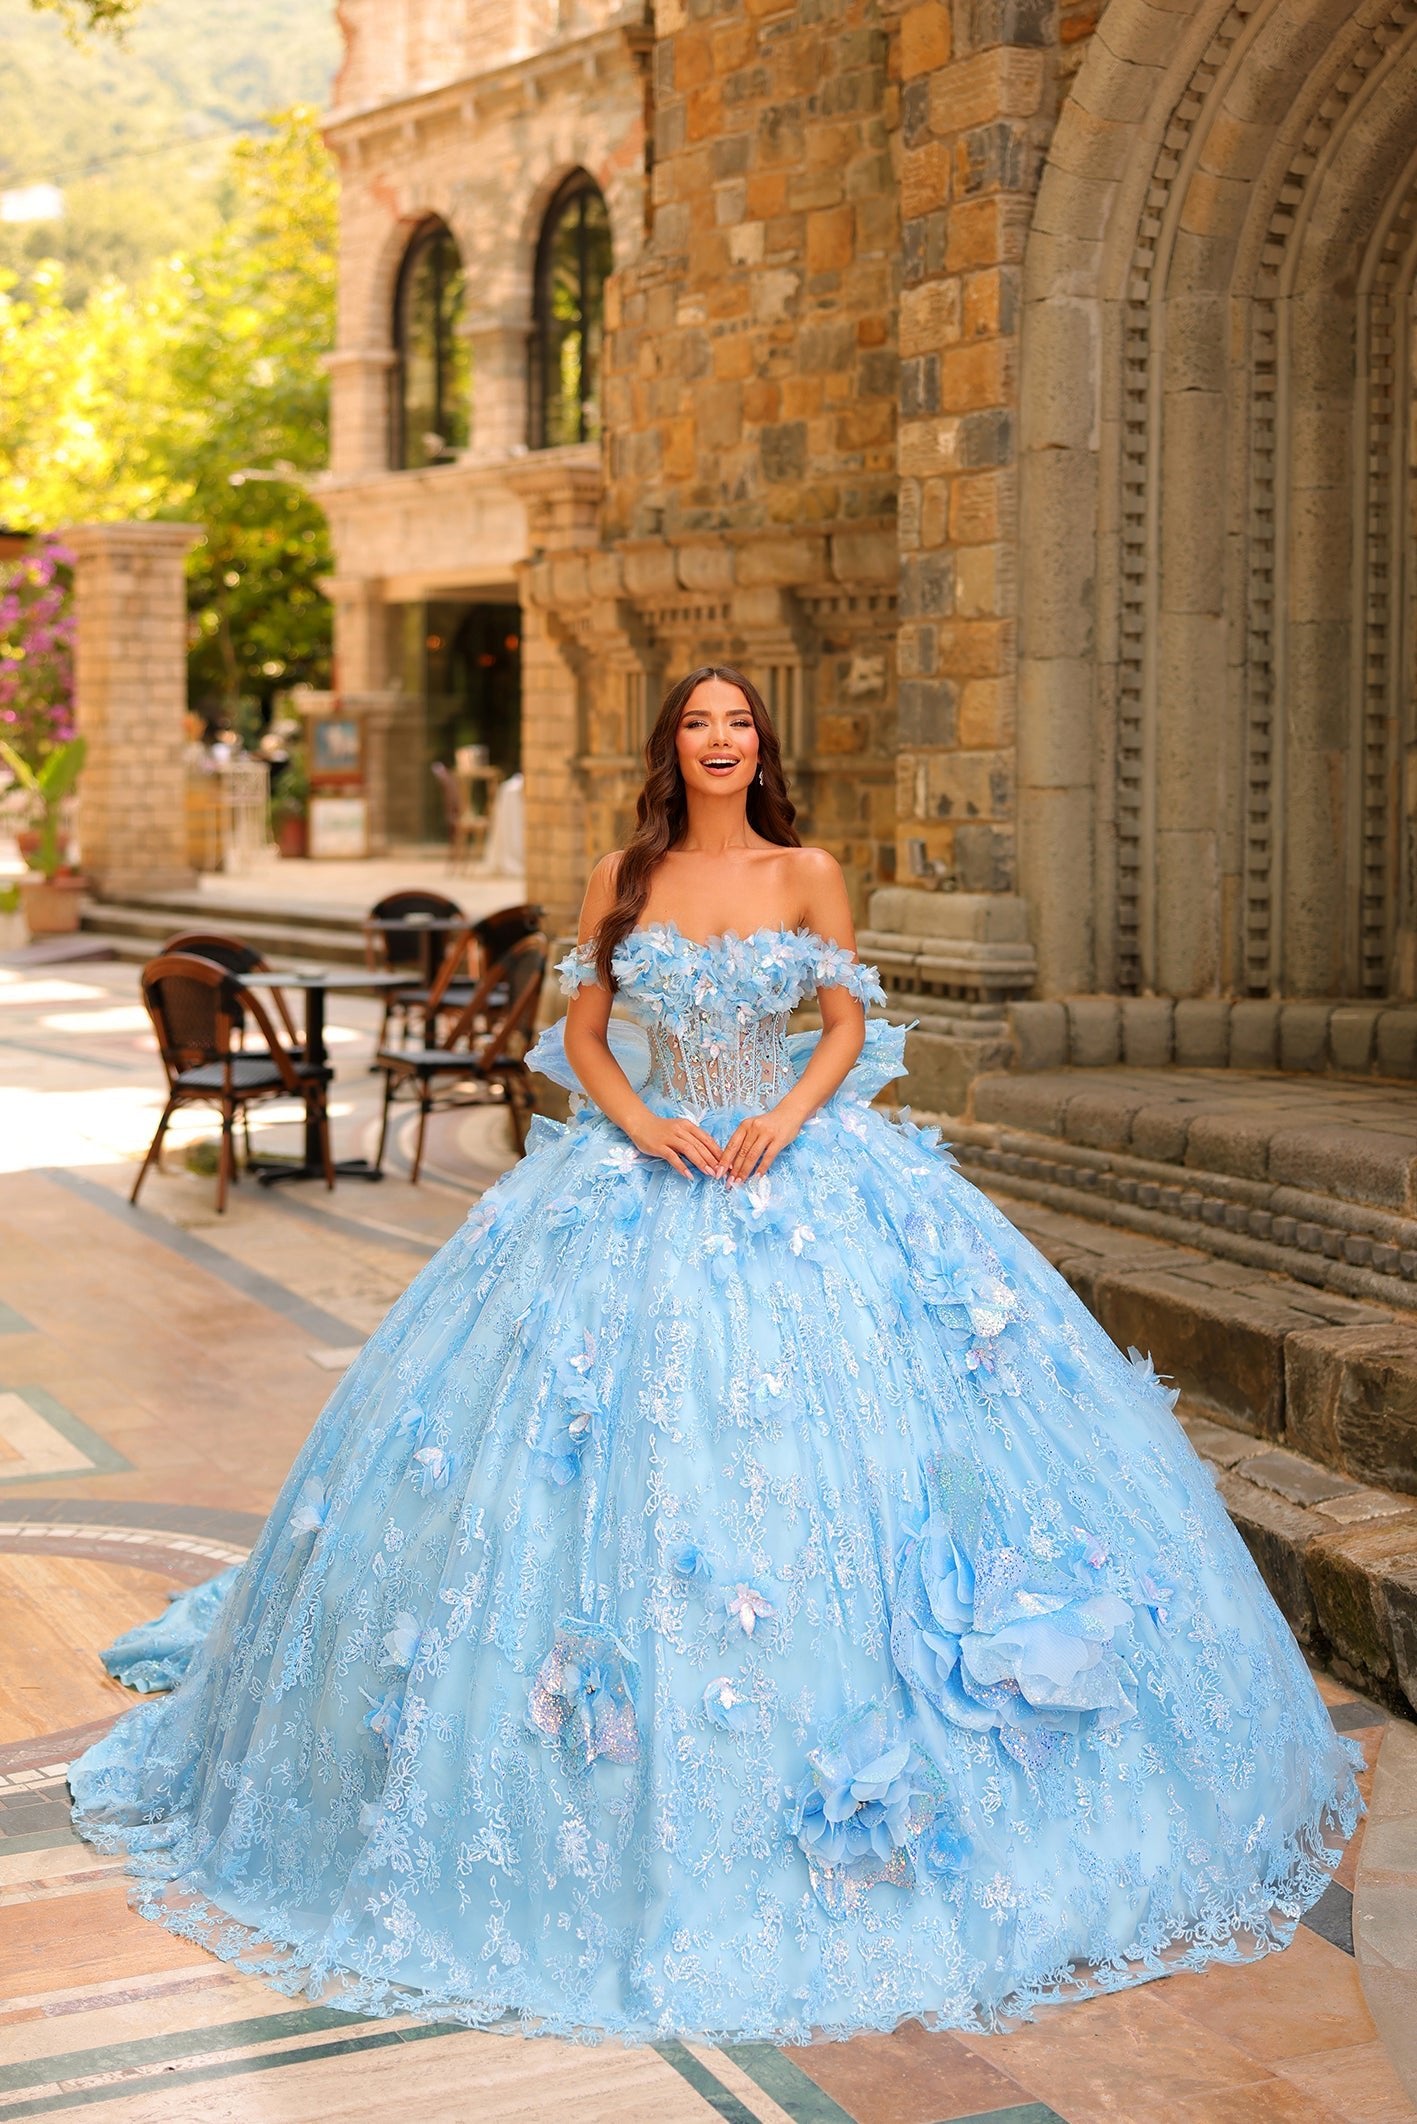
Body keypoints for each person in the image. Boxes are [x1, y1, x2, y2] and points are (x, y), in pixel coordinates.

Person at [70, 664, 1360, 2045]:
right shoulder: (623, 876)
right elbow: (575, 1036)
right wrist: (637, 1125)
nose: (721, 740)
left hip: (794, 1164)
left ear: (762, 745)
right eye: (699, 723)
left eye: (739, 722)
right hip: (645, 1170)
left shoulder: (808, 872)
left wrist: (789, 1120)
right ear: (670, 748)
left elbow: (846, 1025)